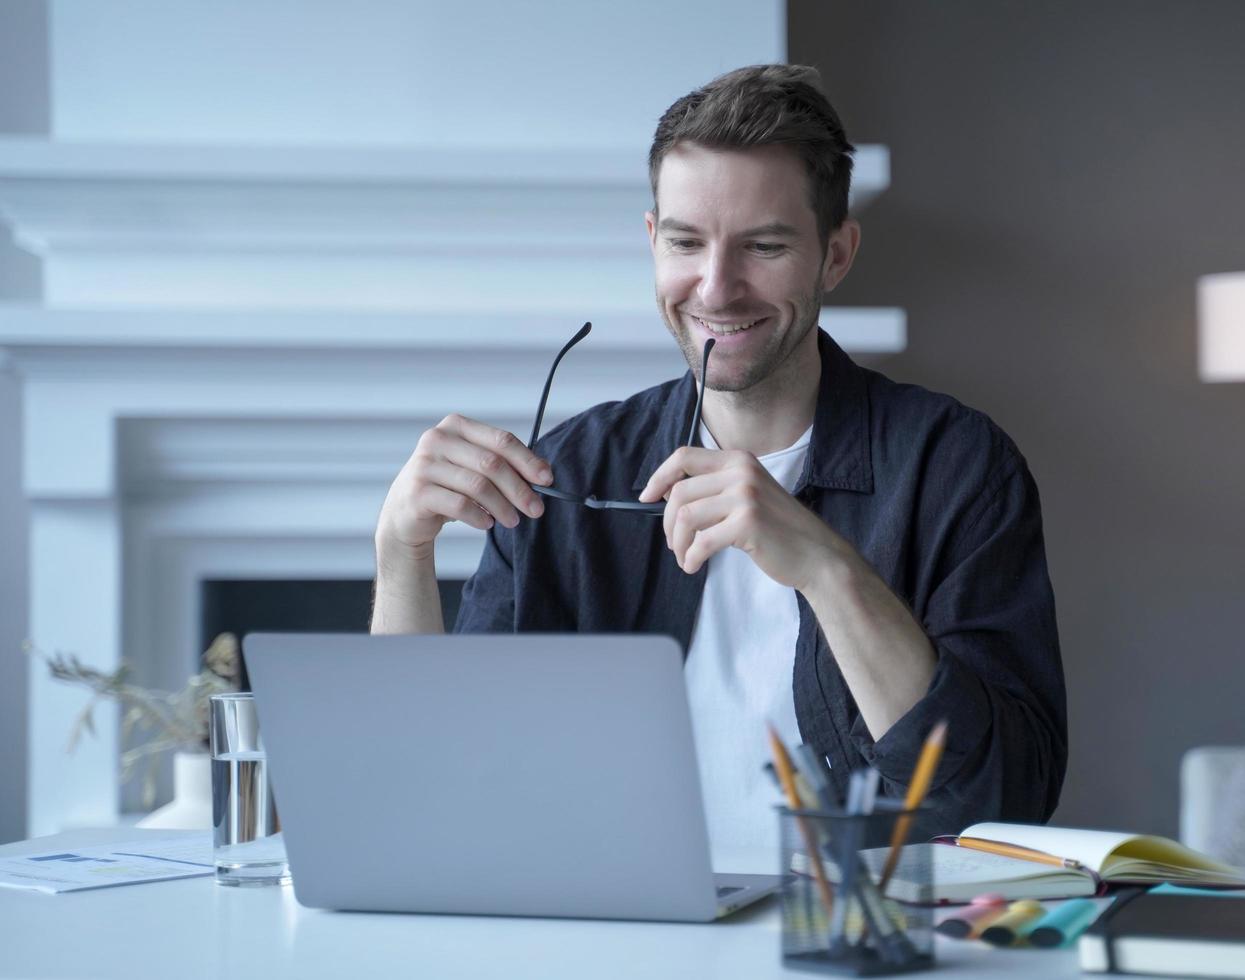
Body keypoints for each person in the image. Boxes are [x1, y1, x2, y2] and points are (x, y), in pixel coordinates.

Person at [371, 64, 1066, 846]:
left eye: (763, 246)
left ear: (836, 255)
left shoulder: (957, 466)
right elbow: (434, 790)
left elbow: (1004, 799)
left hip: (849, 943)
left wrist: (826, 569)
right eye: (685, 243)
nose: (715, 288)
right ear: (651, 242)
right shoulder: (572, 470)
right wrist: (402, 552)